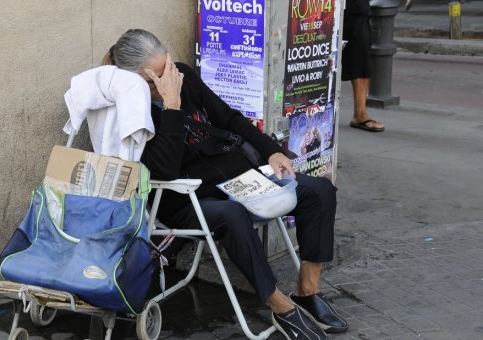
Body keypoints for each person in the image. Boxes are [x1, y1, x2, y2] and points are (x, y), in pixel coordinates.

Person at [104, 29, 348, 340]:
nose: (168, 84)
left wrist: (270, 150)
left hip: (238, 179)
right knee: (233, 215)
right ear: (131, 79)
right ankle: (282, 308)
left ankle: (307, 293)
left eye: (168, 72)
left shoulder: (185, 77)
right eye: (155, 80)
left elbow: (229, 118)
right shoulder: (131, 110)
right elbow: (163, 170)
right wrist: (172, 108)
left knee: (319, 191)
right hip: (186, 199)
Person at [342, 0, 385, 132]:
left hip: (357, 10)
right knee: (318, 61)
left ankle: (360, 114)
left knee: (361, 59)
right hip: (323, 9)